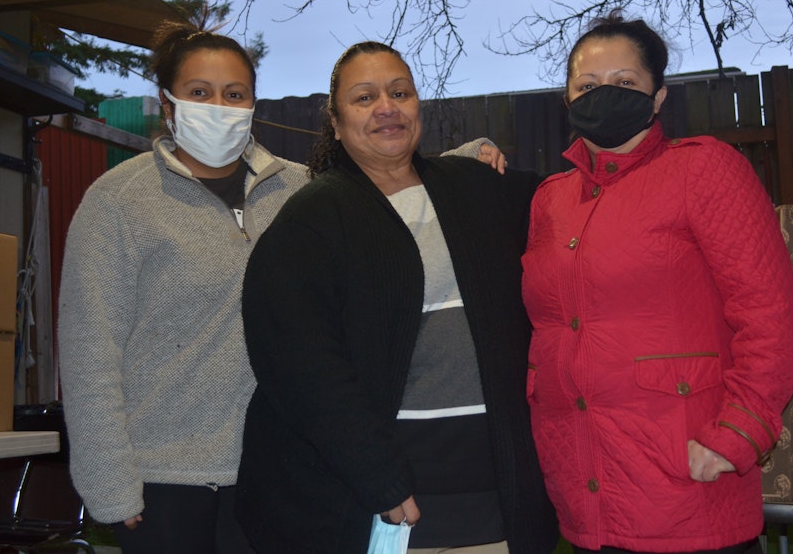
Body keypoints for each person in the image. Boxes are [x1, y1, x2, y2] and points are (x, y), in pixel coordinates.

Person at [57, 23, 504, 554]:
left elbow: (385, 170)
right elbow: (89, 352)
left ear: (252, 105)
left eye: (234, 94)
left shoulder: (300, 190)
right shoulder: (118, 203)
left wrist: (472, 156)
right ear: (169, 104)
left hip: (274, 467)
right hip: (165, 477)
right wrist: (109, 484)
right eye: (200, 93)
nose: (219, 106)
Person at [236, 41, 558, 553]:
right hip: (389, 508)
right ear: (336, 124)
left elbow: (576, 205)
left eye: (400, 92)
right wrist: (377, 476)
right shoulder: (310, 223)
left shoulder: (477, 190)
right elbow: (299, 368)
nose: (387, 107)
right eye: (364, 98)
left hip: (501, 506)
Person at [521, 11, 793, 554]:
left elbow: (771, 317)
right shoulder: (550, 199)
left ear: (657, 98)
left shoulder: (703, 171)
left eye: (625, 82)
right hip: (582, 489)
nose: (605, 94)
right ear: (567, 99)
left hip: (688, 479)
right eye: (588, 84)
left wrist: (738, 433)